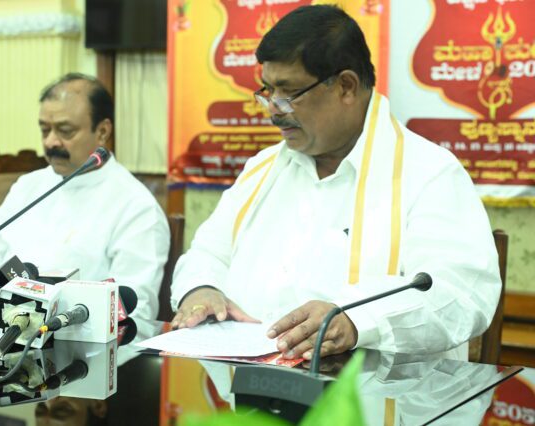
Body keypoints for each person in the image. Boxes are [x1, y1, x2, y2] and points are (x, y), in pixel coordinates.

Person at [170, 5, 500, 361]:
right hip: (253, 384)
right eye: (268, 91)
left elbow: (459, 295)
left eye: (288, 93)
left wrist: (356, 321)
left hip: (378, 390)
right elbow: (207, 254)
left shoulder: (429, 173)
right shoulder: (262, 169)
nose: (274, 109)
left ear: (346, 87)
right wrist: (201, 290)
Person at [0, 73, 170, 321]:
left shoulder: (136, 206)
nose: (51, 142)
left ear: (102, 132)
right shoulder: (28, 186)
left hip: (73, 337)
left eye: (65, 131)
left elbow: (134, 311)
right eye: (44, 129)